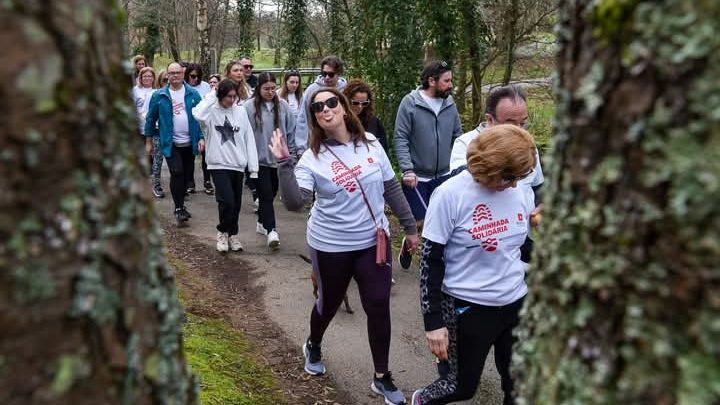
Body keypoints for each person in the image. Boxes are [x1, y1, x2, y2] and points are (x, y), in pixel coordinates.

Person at [270, 88, 419, 405]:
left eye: (331, 102)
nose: (326, 109)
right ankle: (314, 342)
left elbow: (391, 188)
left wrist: (409, 228)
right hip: (330, 245)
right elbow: (296, 204)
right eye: (317, 107)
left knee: (378, 303)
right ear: (315, 119)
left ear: (343, 105)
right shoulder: (313, 158)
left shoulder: (371, 144)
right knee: (329, 302)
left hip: (372, 241)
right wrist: (284, 162)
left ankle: (382, 376)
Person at [409, 125, 537, 405]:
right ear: (487, 165)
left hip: (515, 301)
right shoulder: (450, 194)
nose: (513, 184)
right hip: (466, 307)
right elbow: (430, 261)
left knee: (519, 384)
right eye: (508, 176)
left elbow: (519, 245)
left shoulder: (520, 191)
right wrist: (433, 323)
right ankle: (421, 400)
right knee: (461, 387)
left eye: (518, 177)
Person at [394, 60, 463, 269]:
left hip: (444, 175)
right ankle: (409, 241)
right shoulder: (410, 103)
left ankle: (432, 264)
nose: (451, 85)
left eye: (451, 80)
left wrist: (459, 166)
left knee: (441, 223)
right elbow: (401, 137)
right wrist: (407, 169)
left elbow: (458, 136)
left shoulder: (449, 103)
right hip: (416, 176)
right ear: (431, 81)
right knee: (420, 222)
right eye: (447, 80)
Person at [192, 79, 259, 252]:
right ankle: (222, 232)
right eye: (228, 96)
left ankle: (232, 234)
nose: (232, 100)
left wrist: (253, 168)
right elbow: (197, 114)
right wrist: (213, 94)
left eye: (234, 96)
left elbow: (248, 138)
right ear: (220, 95)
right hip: (218, 164)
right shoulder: (211, 112)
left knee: (235, 204)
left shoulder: (241, 112)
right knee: (227, 201)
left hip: (237, 165)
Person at [449, 84, 543, 198]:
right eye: (510, 124)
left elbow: (538, 186)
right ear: (489, 119)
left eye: (523, 123)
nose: (519, 130)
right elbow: (458, 180)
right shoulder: (466, 143)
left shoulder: (527, 144)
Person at [144, 62, 204, 226]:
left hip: (189, 142)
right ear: (167, 75)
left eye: (178, 72)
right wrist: (148, 142)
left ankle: (181, 203)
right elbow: (150, 120)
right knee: (176, 172)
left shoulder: (192, 94)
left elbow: (201, 119)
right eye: (172, 73)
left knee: (186, 176)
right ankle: (179, 208)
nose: (175, 75)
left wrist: (201, 137)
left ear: (183, 74)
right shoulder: (160, 95)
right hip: (171, 143)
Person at [244, 72, 296, 249]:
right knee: (265, 195)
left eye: (273, 88)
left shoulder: (283, 106)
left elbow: (290, 131)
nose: (270, 92)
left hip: (279, 160)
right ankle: (272, 230)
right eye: (266, 88)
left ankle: (261, 221)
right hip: (258, 160)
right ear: (258, 88)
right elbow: (245, 134)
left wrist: (291, 156)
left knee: (272, 193)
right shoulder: (249, 107)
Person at [295, 56, 348, 155]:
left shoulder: (346, 91)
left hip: (343, 144)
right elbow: (303, 118)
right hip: (318, 143)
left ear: (338, 74)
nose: (327, 77)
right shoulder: (311, 90)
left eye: (331, 74)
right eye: (324, 73)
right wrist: (301, 147)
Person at [132, 66, 165, 198]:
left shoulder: (157, 92)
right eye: (144, 76)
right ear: (140, 78)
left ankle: (154, 183)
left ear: (153, 78)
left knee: (155, 156)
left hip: (154, 129)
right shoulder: (135, 91)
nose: (147, 78)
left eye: (150, 76)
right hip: (139, 127)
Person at [185, 63, 214, 194]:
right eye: (192, 76)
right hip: (190, 123)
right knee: (191, 154)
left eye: (198, 76)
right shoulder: (184, 87)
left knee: (206, 154)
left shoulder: (205, 86)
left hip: (204, 123)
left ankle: (207, 181)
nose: (195, 79)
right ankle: (190, 181)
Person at [343, 79, 388, 153]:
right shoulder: (339, 122)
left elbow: (383, 151)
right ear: (346, 100)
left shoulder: (374, 122)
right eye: (355, 103)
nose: (360, 107)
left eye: (364, 103)